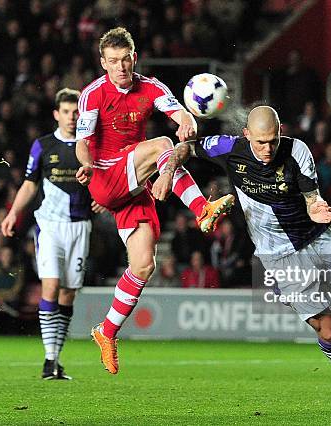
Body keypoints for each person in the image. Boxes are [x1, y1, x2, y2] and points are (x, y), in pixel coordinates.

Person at [152, 106, 331, 412]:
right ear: (247, 135)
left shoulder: (297, 151)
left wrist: (315, 207)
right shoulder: (229, 148)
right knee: (328, 331)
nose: (267, 149)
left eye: (273, 141)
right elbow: (185, 148)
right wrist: (169, 170)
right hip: (279, 255)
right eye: (260, 142)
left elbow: (311, 196)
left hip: (317, 236)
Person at [74, 27, 234, 374]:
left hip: (133, 182)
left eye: (125, 59)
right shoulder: (92, 94)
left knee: (144, 265)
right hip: (104, 176)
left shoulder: (152, 87)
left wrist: (188, 122)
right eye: (113, 61)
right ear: (103, 63)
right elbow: (83, 142)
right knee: (163, 144)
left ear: (135, 58)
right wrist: (86, 164)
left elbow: (181, 117)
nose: (120, 67)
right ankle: (201, 209)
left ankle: (106, 331)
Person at [1, 88, 92, 380]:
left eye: (76, 112)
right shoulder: (43, 145)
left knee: (68, 294)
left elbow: (103, 178)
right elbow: (30, 183)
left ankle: (56, 358)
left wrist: (105, 199)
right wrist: (14, 212)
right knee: (50, 287)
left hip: (79, 226)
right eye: (66, 111)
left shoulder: (89, 145)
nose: (71, 117)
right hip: (49, 226)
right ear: (56, 114)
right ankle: (49, 358)